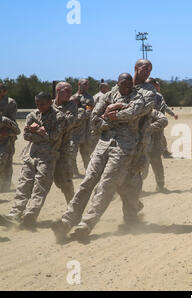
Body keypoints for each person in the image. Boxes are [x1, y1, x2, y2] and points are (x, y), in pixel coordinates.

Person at [51, 73, 147, 242]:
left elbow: (132, 113)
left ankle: (86, 224)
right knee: (87, 182)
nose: (126, 87)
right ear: (117, 83)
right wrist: (111, 116)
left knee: (106, 185)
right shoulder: (108, 95)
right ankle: (67, 221)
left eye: (129, 84)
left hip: (124, 148)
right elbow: (94, 119)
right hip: (102, 145)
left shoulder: (138, 97)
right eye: (122, 83)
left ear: (132, 84)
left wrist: (110, 112)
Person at [4, 92, 68, 227]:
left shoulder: (60, 117)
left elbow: (55, 136)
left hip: (48, 158)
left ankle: (30, 215)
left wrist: (37, 131)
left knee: (40, 188)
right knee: (23, 186)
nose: (40, 107)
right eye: (37, 104)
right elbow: (26, 136)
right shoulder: (32, 115)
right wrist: (41, 132)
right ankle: (14, 214)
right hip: (31, 156)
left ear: (50, 102)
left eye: (43, 104)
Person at [52, 82, 77, 203]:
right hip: (47, 149)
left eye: (70, 91)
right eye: (66, 90)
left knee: (64, 180)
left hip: (63, 149)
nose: (70, 93)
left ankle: (72, 206)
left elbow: (69, 122)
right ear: (58, 90)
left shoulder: (71, 105)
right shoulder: (47, 103)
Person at [146, 78, 178, 160]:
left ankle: (163, 151)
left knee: (160, 137)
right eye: (157, 86)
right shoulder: (143, 95)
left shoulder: (159, 96)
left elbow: (164, 107)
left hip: (157, 121)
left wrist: (172, 114)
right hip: (149, 121)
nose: (158, 87)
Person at [0, 83, 20, 193]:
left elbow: (13, 123)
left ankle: (6, 185)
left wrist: (6, 133)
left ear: (4, 91)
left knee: (6, 161)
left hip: (7, 136)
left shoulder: (10, 103)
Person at [73, 79, 95, 170]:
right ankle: (74, 171)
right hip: (74, 130)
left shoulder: (89, 98)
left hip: (85, 130)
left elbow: (89, 111)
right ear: (79, 84)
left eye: (87, 85)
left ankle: (88, 171)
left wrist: (81, 111)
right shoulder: (72, 96)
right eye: (84, 84)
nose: (86, 86)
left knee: (85, 152)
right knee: (72, 153)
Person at [69, 95, 89, 177]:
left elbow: (76, 121)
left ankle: (90, 172)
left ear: (77, 102)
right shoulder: (70, 110)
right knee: (71, 155)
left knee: (85, 155)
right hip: (73, 137)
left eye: (71, 101)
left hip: (80, 137)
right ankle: (75, 172)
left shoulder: (80, 110)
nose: (69, 103)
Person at [91, 82, 111, 152]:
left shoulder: (94, 96)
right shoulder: (102, 96)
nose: (109, 89)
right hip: (101, 120)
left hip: (96, 120)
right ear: (102, 88)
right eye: (107, 87)